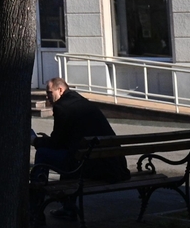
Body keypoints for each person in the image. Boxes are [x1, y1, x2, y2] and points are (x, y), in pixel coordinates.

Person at [30, 77, 126, 219]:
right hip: (112, 166)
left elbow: (57, 143)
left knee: (43, 154)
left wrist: (35, 141)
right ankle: (68, 208)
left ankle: (36, 209)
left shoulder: (61, 107)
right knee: (71, 156)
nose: (47, 96)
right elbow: (67, 140)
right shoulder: (82, 102)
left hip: (87, 166)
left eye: (49, 92)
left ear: (60, 90)